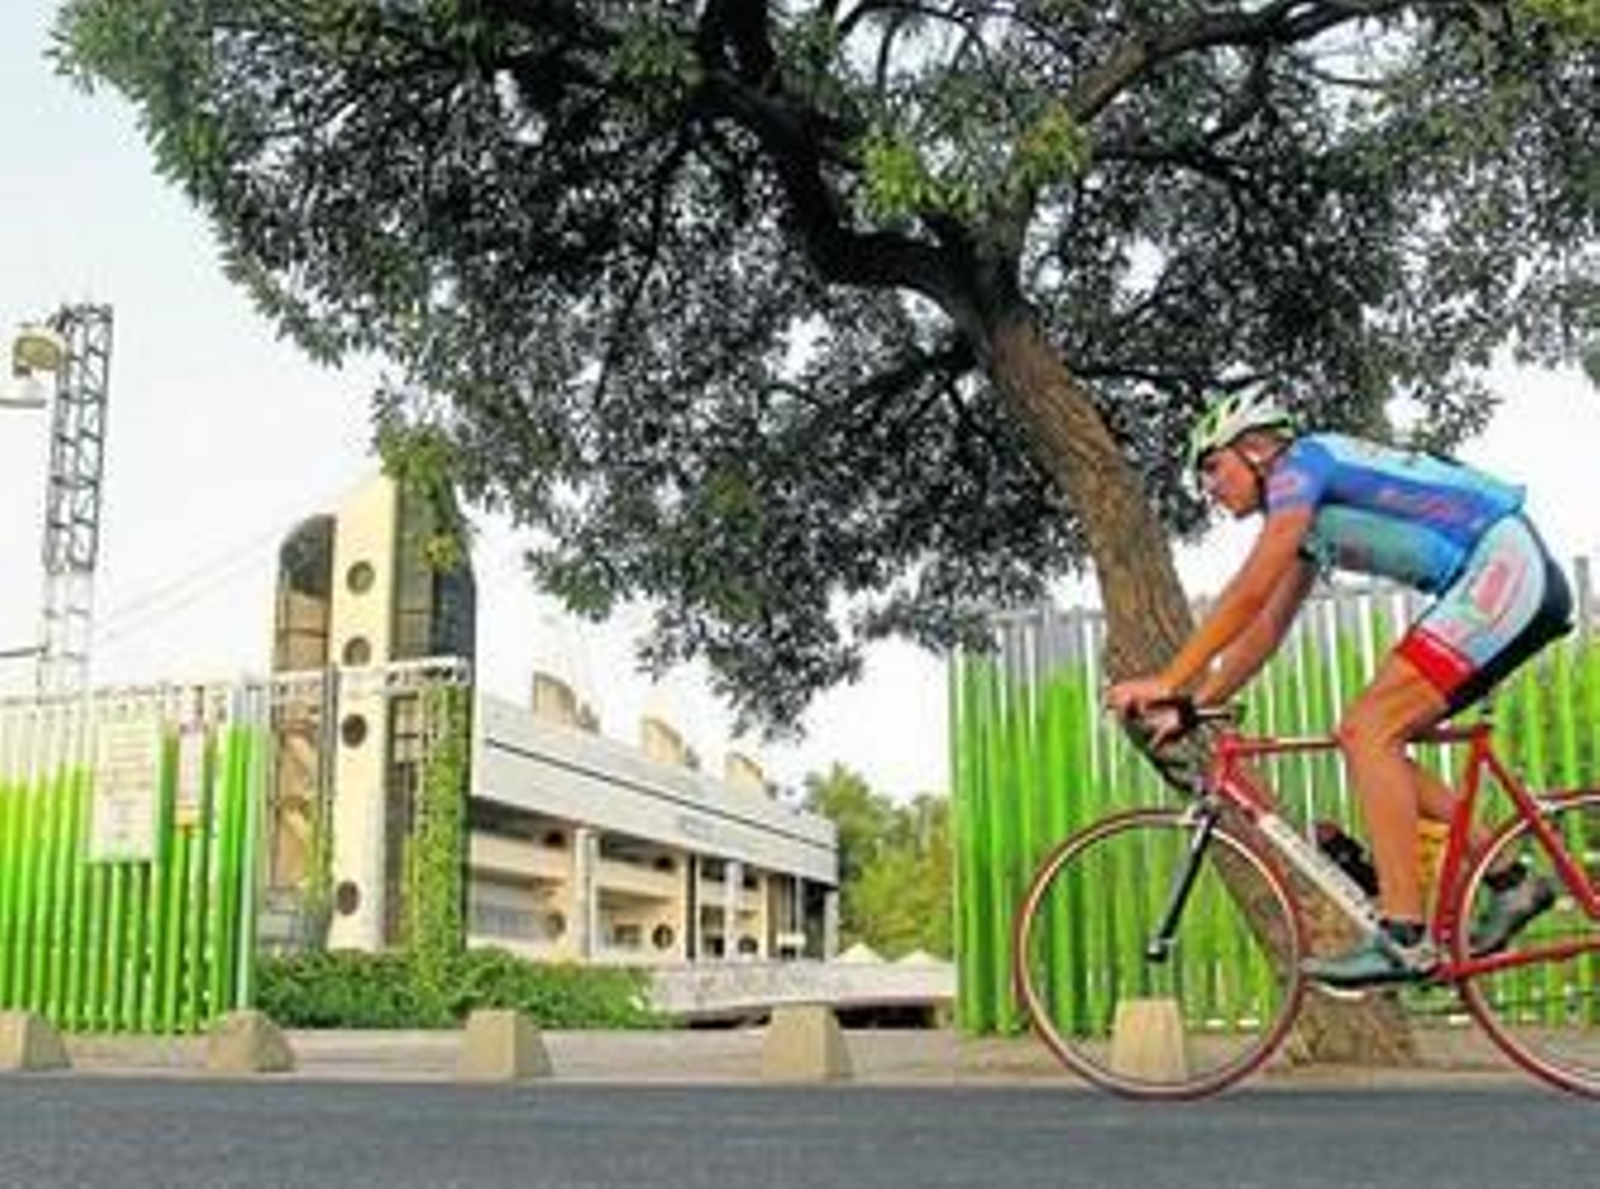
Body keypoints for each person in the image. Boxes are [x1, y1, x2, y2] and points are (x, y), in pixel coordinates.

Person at [1106, 392, 1572, 988]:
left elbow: (1250, 589)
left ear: (1255, 449)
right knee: (1369, 738)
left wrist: (1168, 678)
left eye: (1213, 468)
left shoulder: (1303, 465)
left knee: (1365, 730)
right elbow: (1265, 629)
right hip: (1501, 578)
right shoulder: (1305, 523)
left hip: (1501, 571)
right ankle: (1510, 879)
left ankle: (1404, 937)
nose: (1210, 490)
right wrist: (1194, 704)